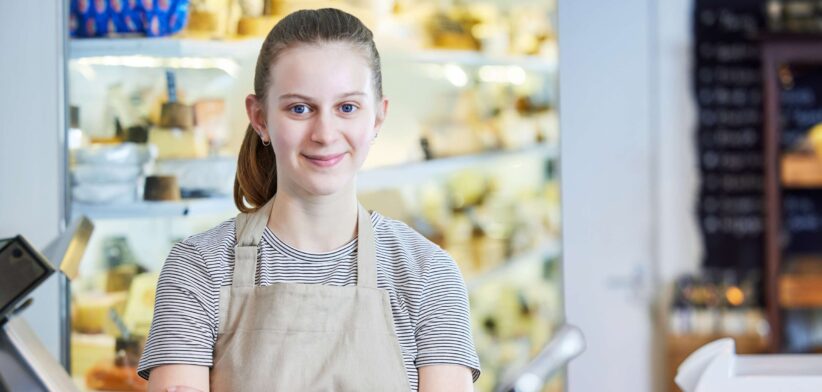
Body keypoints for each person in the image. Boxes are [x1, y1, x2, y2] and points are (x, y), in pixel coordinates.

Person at [136, 8, 481, 392]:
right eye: (300, 108)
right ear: (260, 117)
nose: (325, 133)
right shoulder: (199, 268)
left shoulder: (427, 275)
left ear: (378, 118)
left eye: (347, 107)